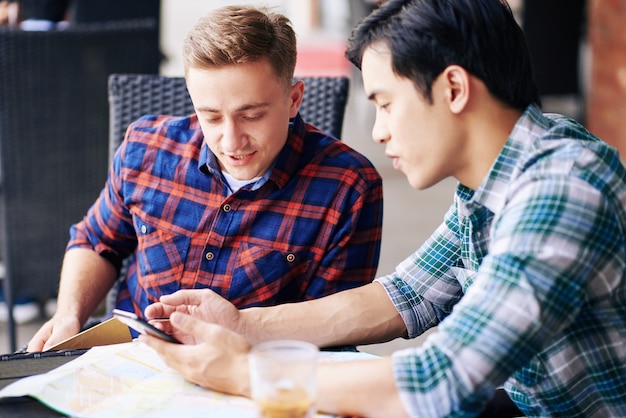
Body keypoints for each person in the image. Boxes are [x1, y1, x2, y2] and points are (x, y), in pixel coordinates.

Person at [140, 0, 626, 417]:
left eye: (386, 103)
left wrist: (244, 372)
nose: (378, 131)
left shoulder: (562, 189)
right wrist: (242, 325)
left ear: (453, 88)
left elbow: (438, 381)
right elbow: (407, 295)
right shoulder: (498, 179)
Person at [27, 5, 383, 352]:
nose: (231, 141)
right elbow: (95, 241)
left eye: (252, 115)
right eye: (211, 117)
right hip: (131, 362)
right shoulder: (145, 148)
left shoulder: (349, 188)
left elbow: (330, 332)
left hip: (251, 378)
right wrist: (68, 315)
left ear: (293, 100)